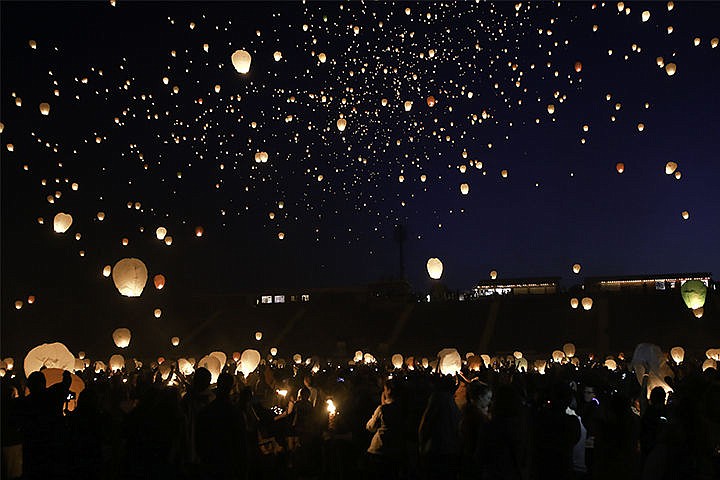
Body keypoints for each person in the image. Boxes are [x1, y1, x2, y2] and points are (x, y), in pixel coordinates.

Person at [196, 372, 246, 479]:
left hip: (211, 460)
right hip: (228, 460)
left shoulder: (206, 411)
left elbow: (199, 437)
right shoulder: (234, 412)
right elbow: (240, 440)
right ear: (231, 387)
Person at [418, 375, 461, 480]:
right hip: (446, 449)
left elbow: (425, 423)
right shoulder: (448, 400)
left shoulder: (439, 398)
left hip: (438, 449)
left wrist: (421, 445)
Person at [365, 379, 405, 479]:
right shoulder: (403, 408)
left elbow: (370, 427)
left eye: (384, 389)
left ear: (389, 391)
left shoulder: (383, 409)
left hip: (379, 449)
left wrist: (383, 405)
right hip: (396, 449)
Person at [459, 380, 492, 479]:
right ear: (480, 397)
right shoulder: (478, 418)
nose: (490, 401)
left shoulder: (466, 414)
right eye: (488, 398)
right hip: (475, 462)